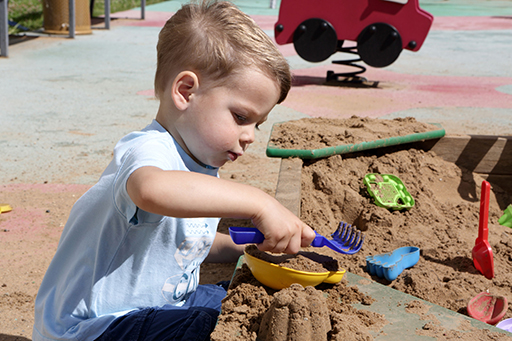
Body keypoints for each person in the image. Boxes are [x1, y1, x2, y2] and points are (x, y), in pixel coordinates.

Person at [32, 1, 316, 340]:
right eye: (241, 117)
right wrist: (260, 203)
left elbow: (185, 243)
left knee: (241, 296)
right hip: (93, 328)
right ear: (185, 91)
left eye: (258, 123)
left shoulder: (202, 163)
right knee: (207, 325)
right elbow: (149, 190)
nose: (250, 136)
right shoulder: (149, 151)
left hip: (159, 309)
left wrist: (248, 250)